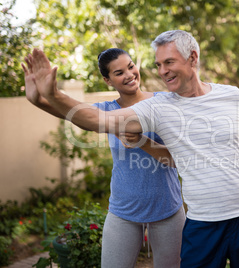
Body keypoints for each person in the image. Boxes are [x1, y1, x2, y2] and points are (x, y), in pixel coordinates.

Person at [26, 30, 239, 268]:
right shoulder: (149, 106)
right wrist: (48, 96)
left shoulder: (202, 98)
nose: (162, 71)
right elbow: (89, 118)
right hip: (166, 215)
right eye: (158, 65)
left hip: (211, 210)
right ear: (108, 79)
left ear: (192, 58)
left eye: (168, 62)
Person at [22, 48, 185, 268]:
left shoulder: (164, 102)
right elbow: (75, 113)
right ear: (107, 80)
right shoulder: (106, 111)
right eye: (119, 73)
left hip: (167, 209)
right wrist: (38, 101)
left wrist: (142, 141)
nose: (129, 74)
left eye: (130, 67)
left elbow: (177, 158)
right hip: (123, 210)